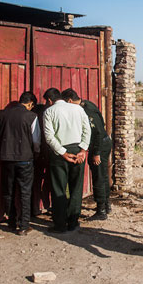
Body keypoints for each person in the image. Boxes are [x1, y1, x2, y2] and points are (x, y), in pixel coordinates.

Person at [42, 88, 91, 233]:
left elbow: (49, 136)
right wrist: (83, 150)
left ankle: (60, 224)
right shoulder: (78, 109)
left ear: (50, 100)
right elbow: (87, 129)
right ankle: (73, 222)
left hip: (59, 153)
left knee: (59, 188)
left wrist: (63, 153)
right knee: (76, 187)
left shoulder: (49, 112)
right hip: (78, 150)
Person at [62, 88, 112, 220]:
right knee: (103, 175)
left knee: (99, 176)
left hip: (99, 145)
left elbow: (98, 133)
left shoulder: (86, 110)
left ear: (69, 100)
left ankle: (101, 211)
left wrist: (96, 153)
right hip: (103, 143)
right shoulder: (87, 104)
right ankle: (106, 204)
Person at [0, 92, 41, 235]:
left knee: (8, 191)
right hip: (25, 159)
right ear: (31, 104)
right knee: (25, 192)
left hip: (7, 158)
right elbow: (36, 140)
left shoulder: (3, 115)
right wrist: (36, 153)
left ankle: (11, 222)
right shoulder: (31, 116)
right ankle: (24, 225)